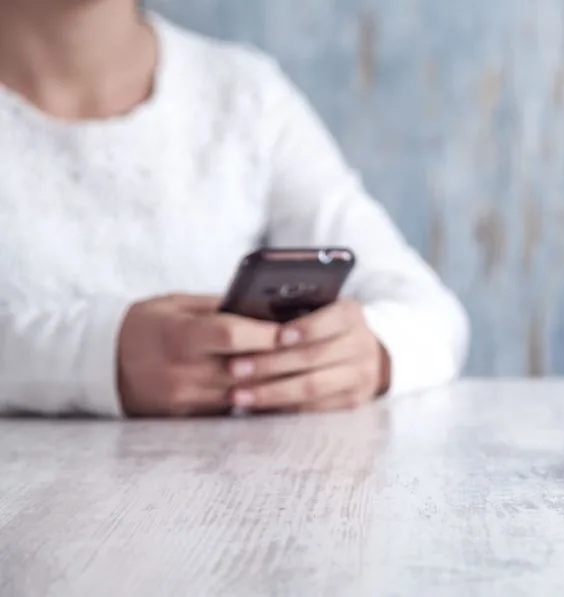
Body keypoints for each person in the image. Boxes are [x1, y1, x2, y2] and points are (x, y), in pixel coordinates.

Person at [0, 0, 469, 417]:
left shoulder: (244, 96)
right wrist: (97, 357)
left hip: (230, 501)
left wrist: (366, 352)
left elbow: (431, 314)